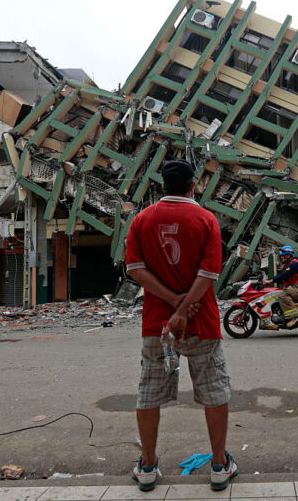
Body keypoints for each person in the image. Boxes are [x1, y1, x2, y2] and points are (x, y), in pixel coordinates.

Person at [125, 159, 238, 492]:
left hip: (156, 324)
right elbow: (209, 274)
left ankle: (146, 466)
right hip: (201, 321)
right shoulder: (206, 219)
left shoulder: (142, 219)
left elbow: (134, 268)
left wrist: (173, 303)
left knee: (149, 392)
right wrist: (186, 308)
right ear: (193, 185)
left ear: (162, 186)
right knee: (214, 390)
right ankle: (219, 465)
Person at [262, 245, 298, 327]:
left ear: (288, 255)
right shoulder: (288, 264)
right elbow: (282, 274)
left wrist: (270, 281)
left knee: (282, 296)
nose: (281, 258)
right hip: (294, 287)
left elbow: (284, 275)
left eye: (283, 256)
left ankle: (294, 317)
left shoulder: (294, 264)